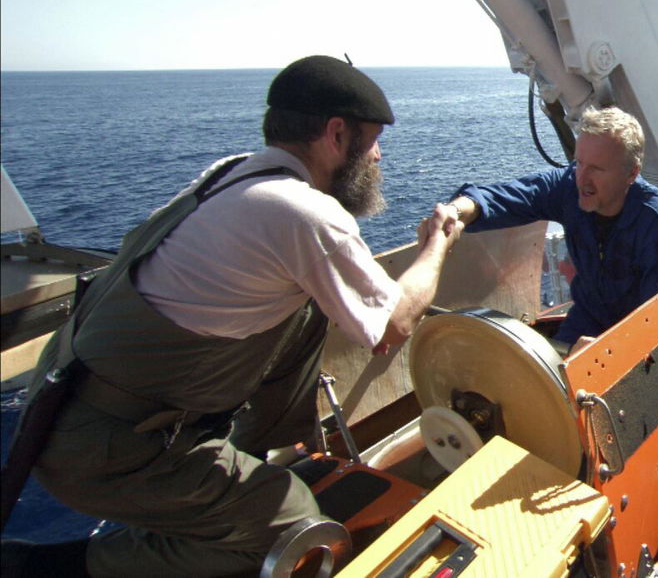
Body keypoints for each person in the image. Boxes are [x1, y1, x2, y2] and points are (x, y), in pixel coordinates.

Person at [3, 55, 463, 577]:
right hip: (113, 445)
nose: (379, 156)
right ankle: (46, 567)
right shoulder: (301, 212)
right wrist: (437, 244)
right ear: (337, 134)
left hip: (75, 405)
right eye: (374, 140)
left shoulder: (233, 174)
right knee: (293, 535)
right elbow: (391, 328)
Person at [446, 106, 658, 352]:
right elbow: (513, 196)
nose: (582, 178)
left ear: (632, 173)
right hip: (585, 321)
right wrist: (458, 211)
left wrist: (609, 352)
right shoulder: (568, 189)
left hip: (635, 341)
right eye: (579, 163)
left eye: (596, 168)